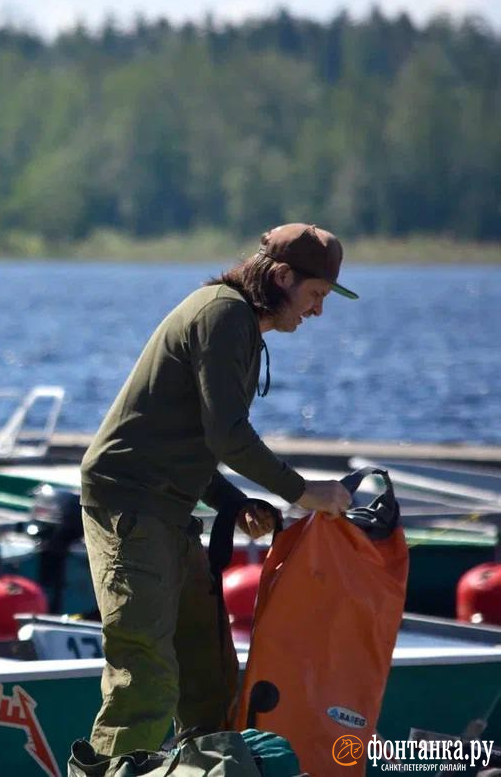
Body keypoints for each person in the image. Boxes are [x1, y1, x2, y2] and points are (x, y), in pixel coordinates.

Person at [79, 222, 357, 758]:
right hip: (130, 508)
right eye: (316, 295)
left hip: (168, 510)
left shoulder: (235, 322)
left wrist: (232, 502)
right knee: (146, 679)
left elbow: (188, 436)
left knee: (212, 681)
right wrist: (305, 492)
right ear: (280, 277)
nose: (319, 310)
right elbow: (229, 436)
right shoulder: (223, 314)